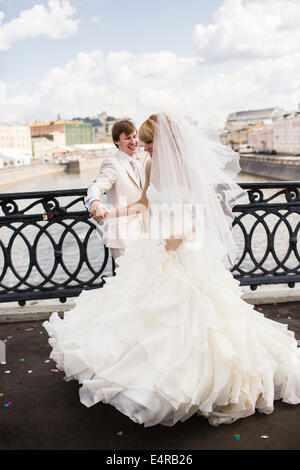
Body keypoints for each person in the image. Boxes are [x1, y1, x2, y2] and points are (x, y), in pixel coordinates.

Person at [43, 112, 300, 427]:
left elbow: (202, 212)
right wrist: (112, 213)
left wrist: (178, 238)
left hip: (183, 251)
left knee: (195, 319)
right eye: (144, 142)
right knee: (141, 315)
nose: (145, 148)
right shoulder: (151, 165)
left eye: (150, 142)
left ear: (164, 141)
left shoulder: (190, 170)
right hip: (156, 247)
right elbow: (144, 203)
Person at [85, 119, 147, 263]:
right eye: (127, 138)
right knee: (128, 279)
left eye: (134, 136)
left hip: (141, 231)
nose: (133, 141)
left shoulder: (137, 162)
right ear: (116, 141)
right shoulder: (112, 163)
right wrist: (94, 202)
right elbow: (97, 185)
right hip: (122, 235)